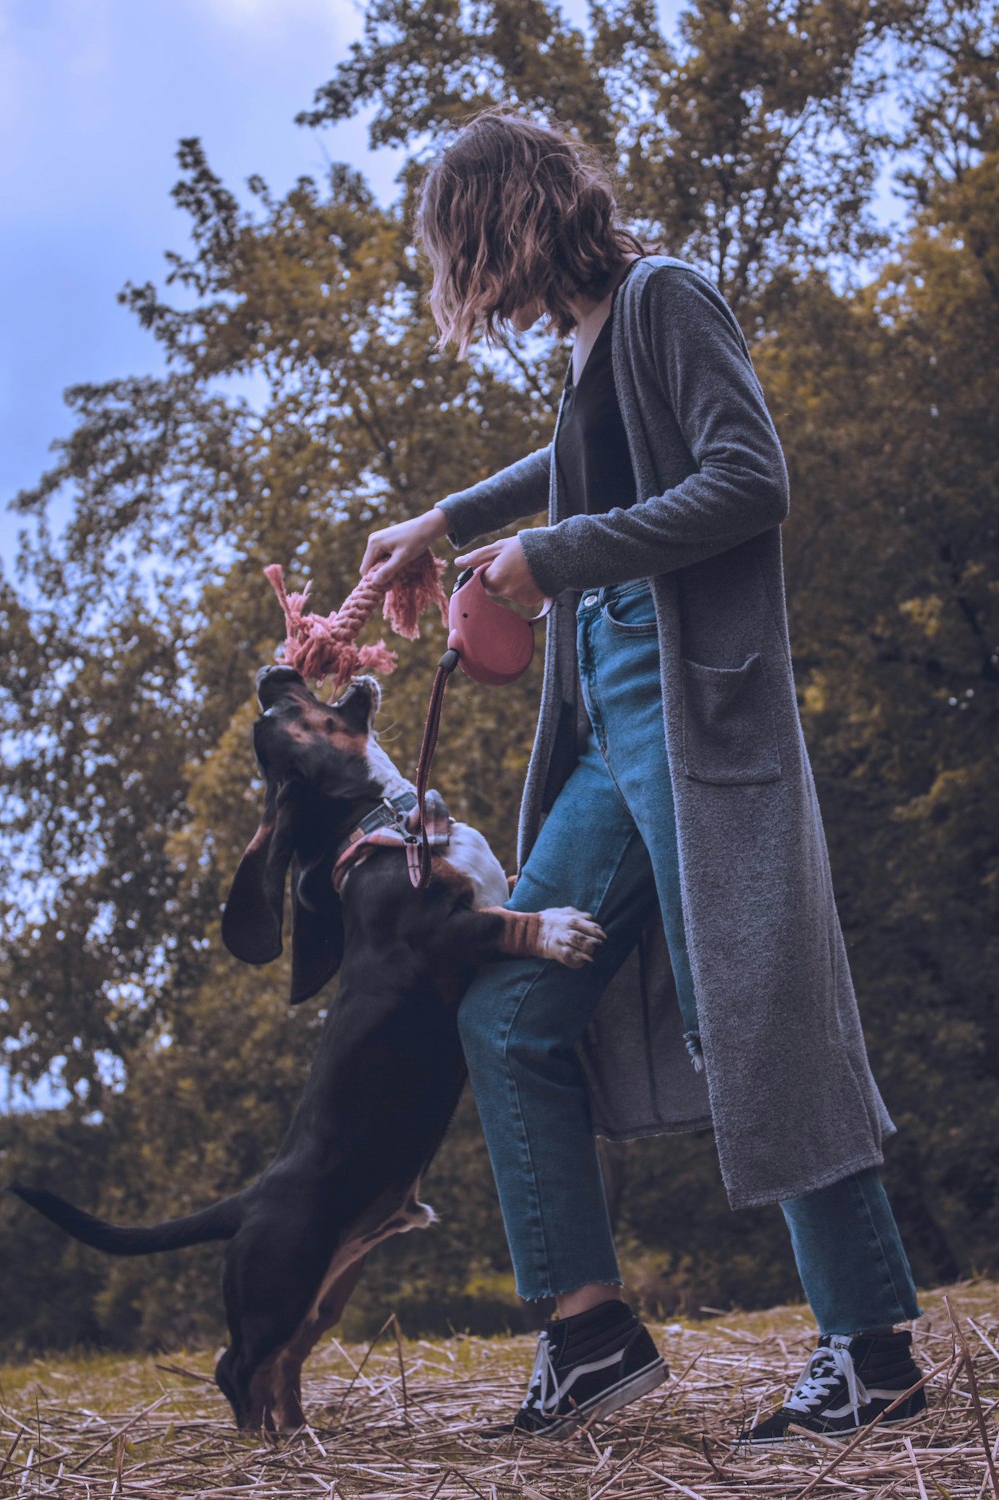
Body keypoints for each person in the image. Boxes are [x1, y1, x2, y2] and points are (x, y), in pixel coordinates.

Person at [359, 105, 927, 1447]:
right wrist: (444, 523)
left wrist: (549, 560)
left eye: (465, 255)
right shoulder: (594, 346)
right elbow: (583, 460)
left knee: (759, 1013)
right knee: (509, 1007)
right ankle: (592, 1337)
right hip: (612, 733)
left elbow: (750, 479)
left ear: (509, 225)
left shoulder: (667, 296)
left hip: (697, 723)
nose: (470, 292)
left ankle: (875, 1352)